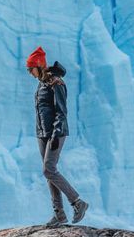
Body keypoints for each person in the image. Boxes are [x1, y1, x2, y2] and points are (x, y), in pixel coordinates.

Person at [27, 45, 88, 226]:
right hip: (42, 133)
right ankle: (59, 214)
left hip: (56, 132)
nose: (30, 73)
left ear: (39, 66)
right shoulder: (42, 84)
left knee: (49, 169)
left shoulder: (56, 83)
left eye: (31, 69)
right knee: (49, 173)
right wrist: (43, 133)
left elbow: (61, 111)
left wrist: (55, 134)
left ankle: (77, 202)